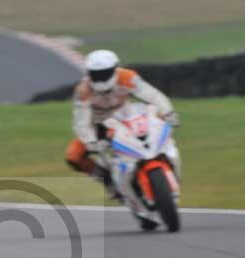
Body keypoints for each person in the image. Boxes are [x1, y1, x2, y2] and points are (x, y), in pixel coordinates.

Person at [65, 49, 180, 198]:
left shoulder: (127, 77)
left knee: (159, 132)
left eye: (105, 73)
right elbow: (81, 121)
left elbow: (153, 95)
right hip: (100, 126)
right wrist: (90, 141)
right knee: (74, 156)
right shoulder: (83, 90)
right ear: (89, 73)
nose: (101, 78)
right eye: (96, 74)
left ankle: (168, 166)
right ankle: (106, 179)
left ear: (114, 69)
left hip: (129, 118)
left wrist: (168, 112)